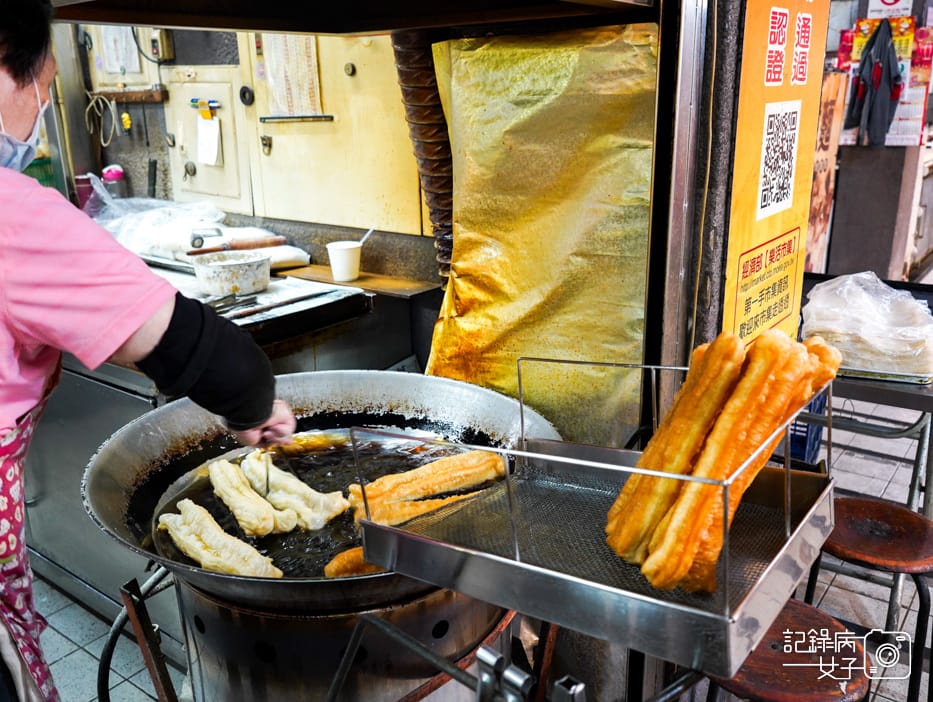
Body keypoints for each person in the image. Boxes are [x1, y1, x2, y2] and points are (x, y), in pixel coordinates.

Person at [1, 1, 296, 698]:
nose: (42, 104)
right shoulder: (11, 212)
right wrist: (255, 405)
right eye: (41, 80)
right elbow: (192, 345)